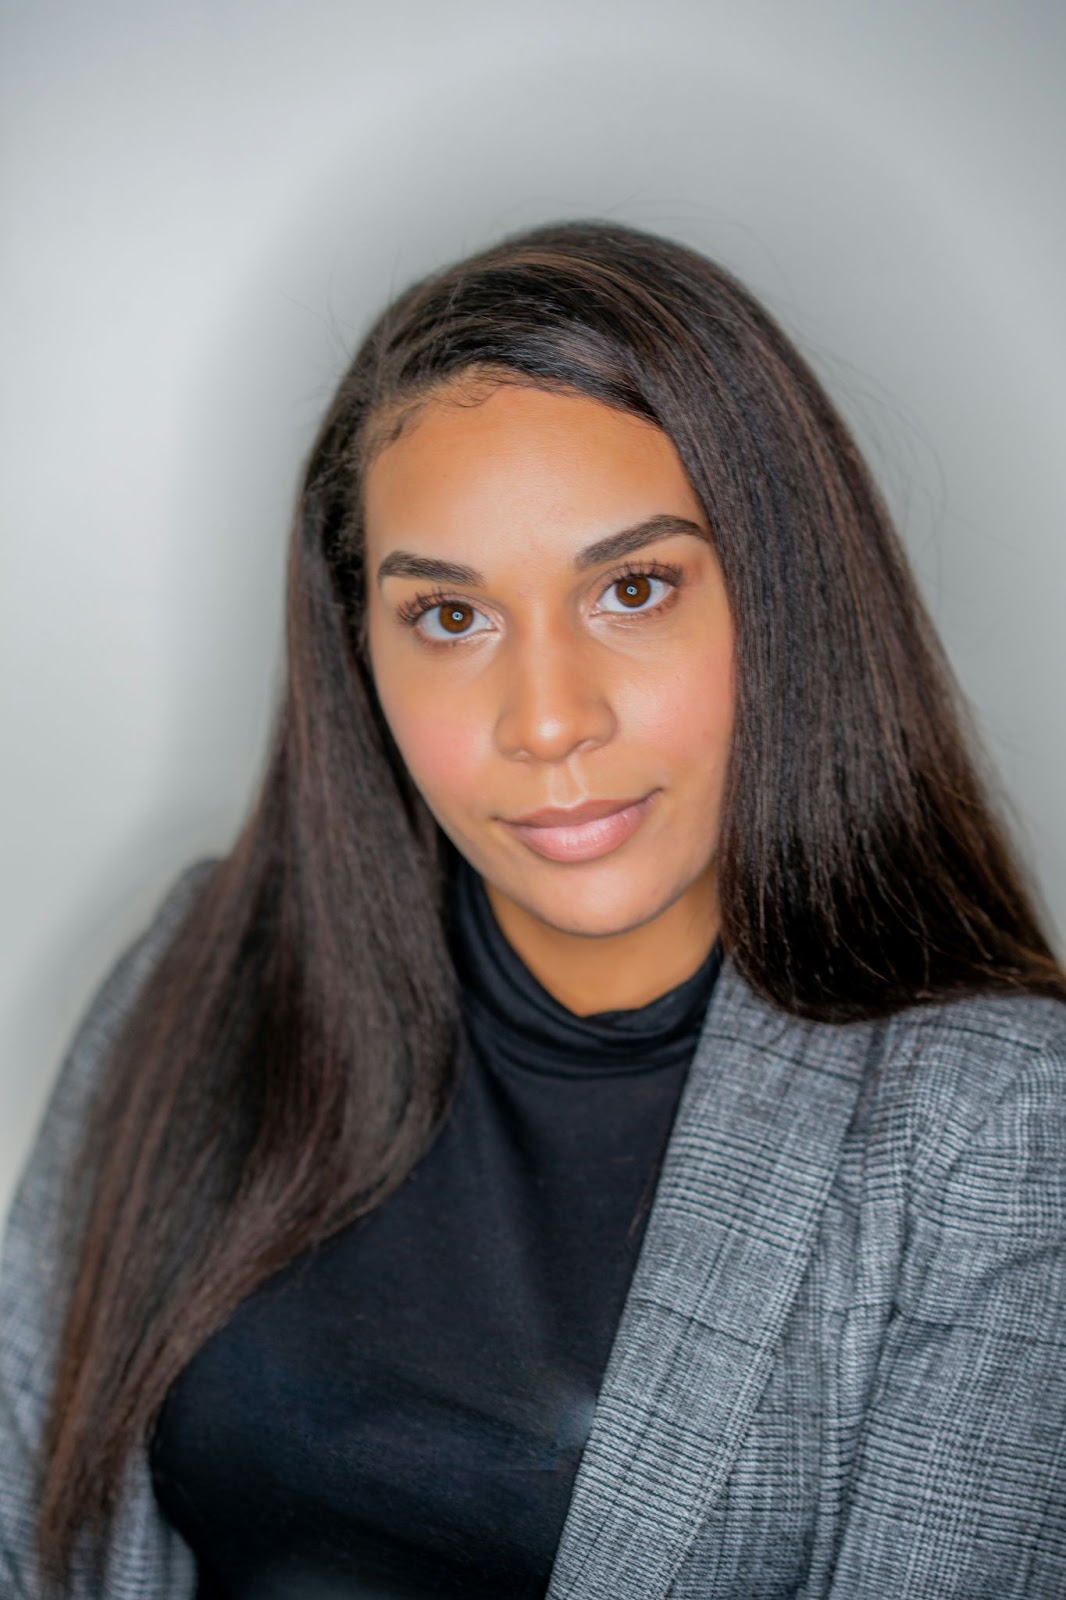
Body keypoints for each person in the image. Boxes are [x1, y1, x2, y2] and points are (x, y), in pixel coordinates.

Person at [2, 219, 1065, 1600]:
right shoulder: (205, 970)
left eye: (633, 589)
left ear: (784, 598)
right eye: (449, 619)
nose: (547, 720)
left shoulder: (992, 1123)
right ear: (359, 649)